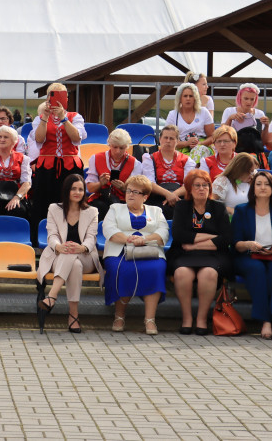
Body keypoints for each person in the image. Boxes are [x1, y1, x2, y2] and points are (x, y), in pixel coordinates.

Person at [35, 174, 103, 334]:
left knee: (74, 256)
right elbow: (51, 235)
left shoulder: (92, 211)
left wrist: (82, 248)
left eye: (81, 189)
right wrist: (58, 247)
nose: (77, 192)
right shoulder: (54, 208)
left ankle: (52, 296)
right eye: (74, 189)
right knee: (74, 263)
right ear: (66, 190)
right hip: (58, 256)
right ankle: (74, 315)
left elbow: (91, 238)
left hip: (86, 256)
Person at [102, 174, 168, 335]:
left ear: (145, 196)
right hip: (119, 251)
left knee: (156, 269)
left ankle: (150, 320)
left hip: (149, 251)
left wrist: (144, 239)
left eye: (135, 192)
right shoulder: (115, 208)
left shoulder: (157, 211)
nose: (130, 194)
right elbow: (108, 229)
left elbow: (163, 233)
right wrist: (128, 239)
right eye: (128, 191)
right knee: (121, 269)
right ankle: (119, 316)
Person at [167, 169, 231, 335]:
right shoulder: (182, 206)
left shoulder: (218, 207)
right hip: (183, 254)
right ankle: (187, 319)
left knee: (208, 274)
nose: (202, 189)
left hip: (213, 255)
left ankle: (202, 319)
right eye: (197, 185)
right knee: (182, 273)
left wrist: (195, 245)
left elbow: (225, 239)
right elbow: (179, 235)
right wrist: (211, 237)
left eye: (205, 185)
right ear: (189, 188)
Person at [232, 171, 272, 340]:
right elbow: (236, 243)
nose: (263, 187)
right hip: (248, 256)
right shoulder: (242, 210)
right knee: (257, 269)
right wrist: (249, 244)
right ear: (253, 188)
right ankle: (265, 319)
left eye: (267, 184)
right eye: (258, 184)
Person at [29, 84, 86, 247]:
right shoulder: (40, 118)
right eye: (52, 96)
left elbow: (77, 137)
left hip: (70, 166)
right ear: (48, 98)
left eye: (61, 96)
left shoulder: (75, 117)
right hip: (47, 166)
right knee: (44, 203)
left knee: (71, 203)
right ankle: (41, 240)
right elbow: (39, 139)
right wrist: (45, 118)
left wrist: (63, 118)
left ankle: (72, 238)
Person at [85, 128, 142, 219]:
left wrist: (124, 188)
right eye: (115, 147)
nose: (117, 151)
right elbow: (90, 188)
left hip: (124, 200)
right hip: (101, 198)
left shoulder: (135, 163)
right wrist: (101, 183)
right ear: (109, 144)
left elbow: (137, 192)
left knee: (121, 209)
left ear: (127, 147)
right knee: (98, 208)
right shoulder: (95, 158)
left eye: (121, 148)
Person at [0, 125, 33, 215]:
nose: (2, 139)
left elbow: (26, 183)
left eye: (6, 137)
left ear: (14, 141)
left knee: (17, 209)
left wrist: (16, 198)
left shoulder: (23, 158)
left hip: (15, 194)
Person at [141, 124, 193, 218]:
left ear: (177, 141)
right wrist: (168, 194)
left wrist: (173, 195)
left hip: (180, 196)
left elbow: (189, 184)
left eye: (172, 138)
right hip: (157, 196)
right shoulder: (150, 158)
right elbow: (150, 183)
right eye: (165, 137)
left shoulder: (187, 160)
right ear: (160, 139)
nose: (168, 141)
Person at [166, 82, 216, 159]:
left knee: (199, 151)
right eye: (185, 96)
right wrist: (186, 143)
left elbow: (212, 137)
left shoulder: (204, 112)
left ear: (195, 98)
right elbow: (169, 139)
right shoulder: (173, 114)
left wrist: (200, 143)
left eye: (191, 96)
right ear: (180, 98)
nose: (188, 98)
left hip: (202, 148)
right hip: (180, 148)